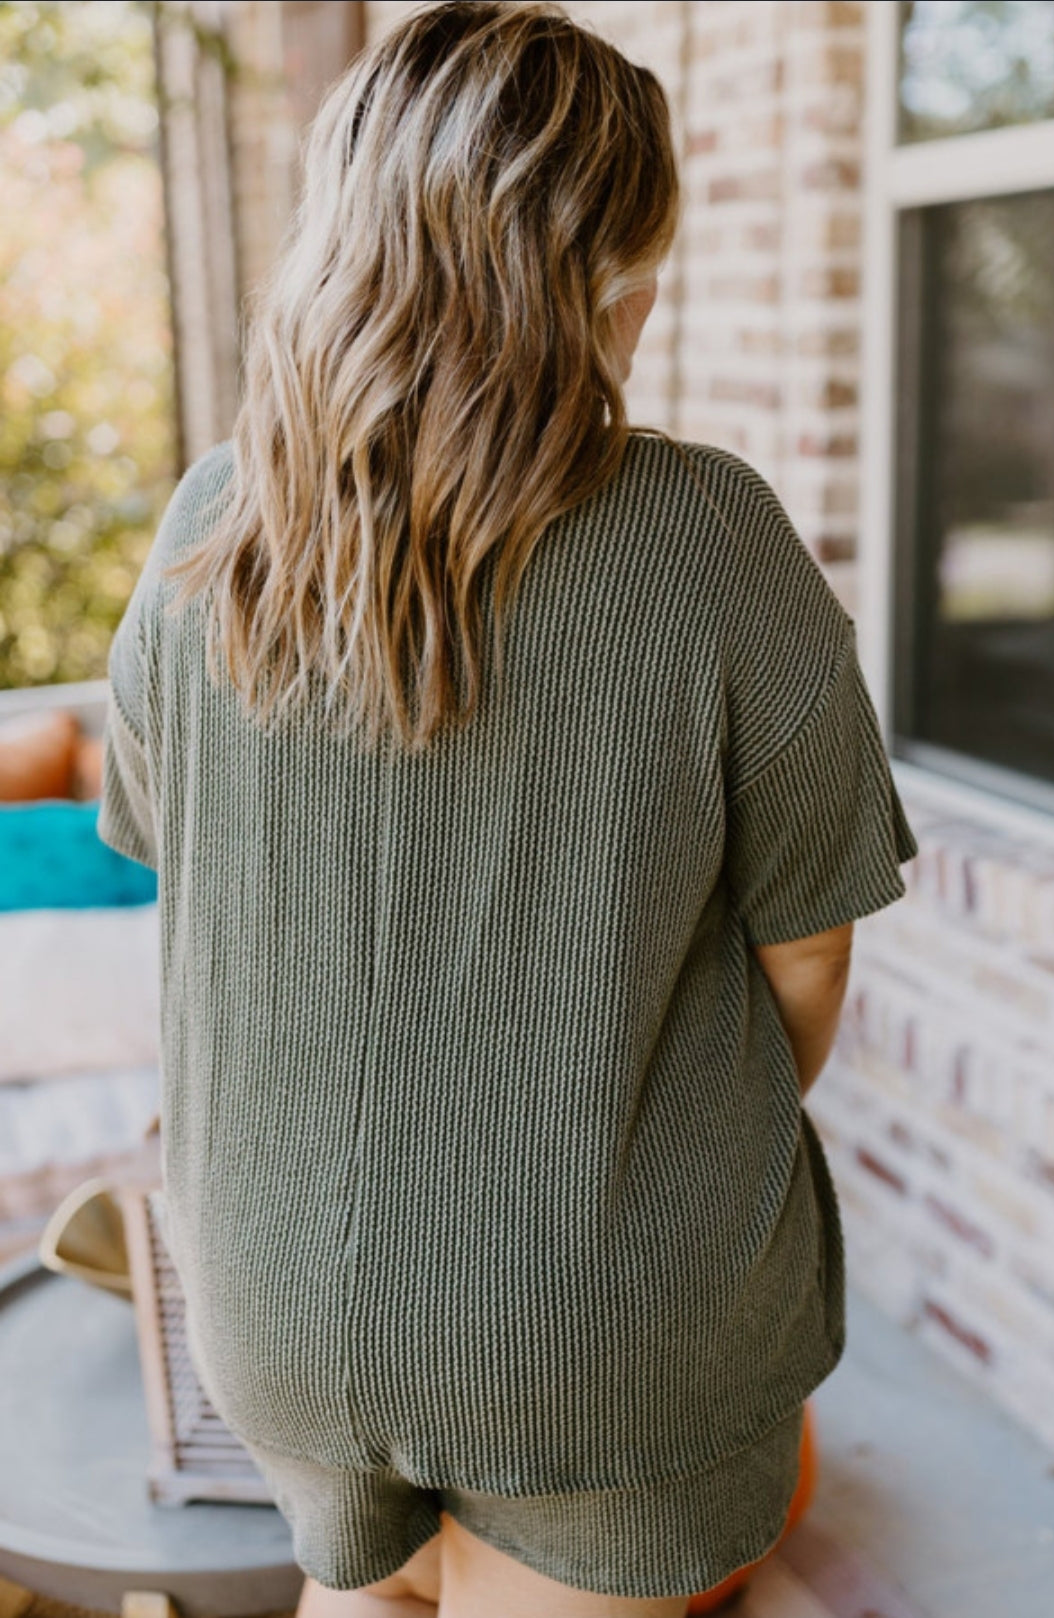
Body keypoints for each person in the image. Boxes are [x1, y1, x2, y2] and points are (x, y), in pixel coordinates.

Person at [96, 3, 919, 1615]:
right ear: (611, 262)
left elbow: (171, 861)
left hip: (277, 1302)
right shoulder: (708, 537)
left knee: (370, 1594)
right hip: (604, 1335)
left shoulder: (212, 526)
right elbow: (806, 966)